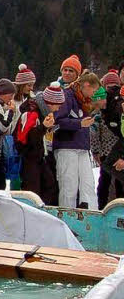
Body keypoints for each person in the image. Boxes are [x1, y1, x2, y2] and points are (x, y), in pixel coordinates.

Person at [53, 71, 99, 209]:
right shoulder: (67, 96)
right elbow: (58, 121)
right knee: (69, 186)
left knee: (88, 183)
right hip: (67, 146)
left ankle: (91, 213)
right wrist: (79, 124)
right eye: (94, 90)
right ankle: (67, 218)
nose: (94, 94)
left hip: (82, 146)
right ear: (86, 85)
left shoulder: (84, 100)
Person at [16, 83, 60, 205]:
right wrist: (43, 127)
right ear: (50, 103)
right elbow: (25, 139)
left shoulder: (42, 113)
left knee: (50, 186)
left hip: (40, 157)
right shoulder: (31, 113)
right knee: (33, 192)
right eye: (58, 105)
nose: (58, 109)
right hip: (30, 159)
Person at [98, 71, 124, 207]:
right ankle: (103, 207)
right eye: (108, 86)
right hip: (107, 151)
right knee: (105, 179)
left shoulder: (116, 107)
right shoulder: (104, 111)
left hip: (118, 150)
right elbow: (96, 134)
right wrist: (97, 151)